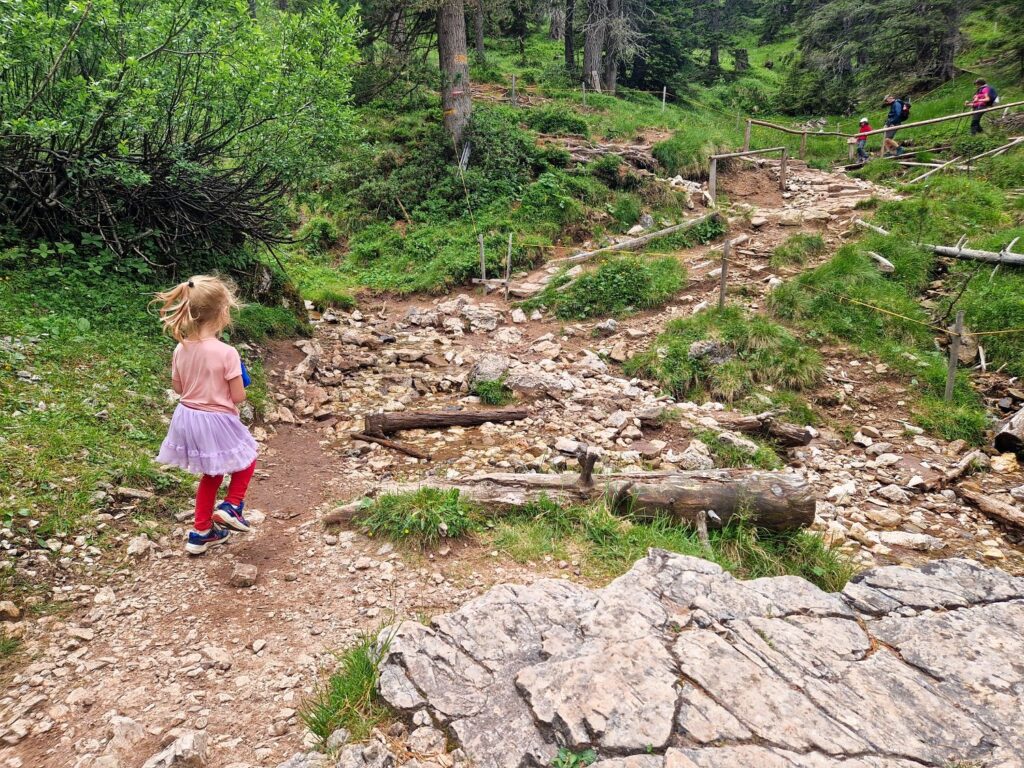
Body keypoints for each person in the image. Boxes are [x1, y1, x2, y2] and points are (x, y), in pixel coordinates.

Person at [153, 275, 259, 554]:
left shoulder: (181, 347)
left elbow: (178, 387)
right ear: (223, 312)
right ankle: (232, 506)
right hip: (216, 419)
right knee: (248, 456)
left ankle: (201, 531)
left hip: (187, 417)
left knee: (211, 473)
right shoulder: (227, 352)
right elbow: (238, 396)